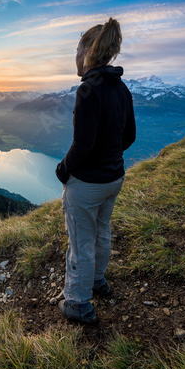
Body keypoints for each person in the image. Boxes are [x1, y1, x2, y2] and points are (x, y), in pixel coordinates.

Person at [55, 17, 136, 324]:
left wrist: (63, 170)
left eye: (77, 49)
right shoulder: (121, 87)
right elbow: (129, 136)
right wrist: (110, 159)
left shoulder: (88, 90)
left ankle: (78, 303)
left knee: (81, 242)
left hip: (87, 184)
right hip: (113, 178)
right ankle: (97, 281)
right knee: (101, 232)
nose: (74, 56)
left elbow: (82, 146)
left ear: (88, 50)